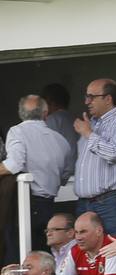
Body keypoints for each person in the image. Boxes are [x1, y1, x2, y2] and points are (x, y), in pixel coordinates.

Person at [0, 95, 72, 261]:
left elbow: (14, 165)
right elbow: (65, 176)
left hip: (24, 204)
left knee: (18, 258)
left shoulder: (17, 131)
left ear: (21, 113)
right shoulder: (60, 140)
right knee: (43, 257)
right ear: (45, 114)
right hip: (49, 206)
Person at [71, 78, 116, 238]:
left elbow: (113, 153)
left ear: (108, 98)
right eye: (86, 96)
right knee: (87, 253)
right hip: (84, 203)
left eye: (92, 96)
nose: (87, 101)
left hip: (111, 201)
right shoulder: (90, 124)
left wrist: (88, 133)